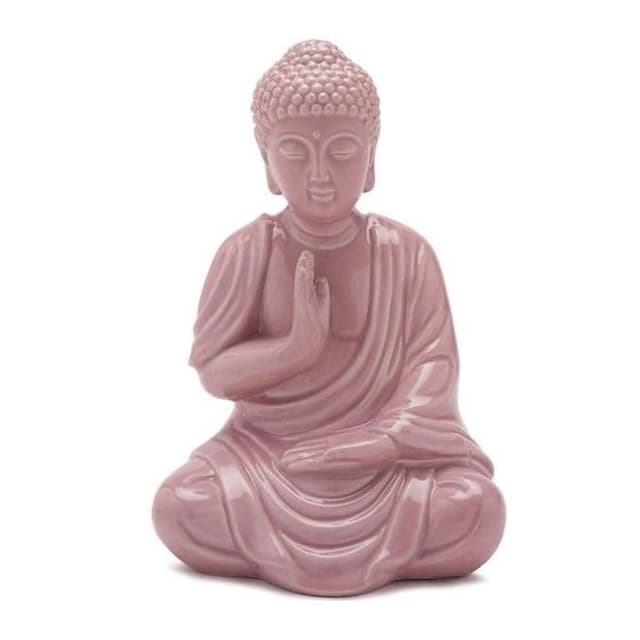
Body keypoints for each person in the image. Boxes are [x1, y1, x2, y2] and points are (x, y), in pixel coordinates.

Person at [152, 40, 505, 596]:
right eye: (295, 152)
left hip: (384, 466)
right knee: (180, 504)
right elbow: (214, 374)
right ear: (266, 160)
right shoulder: (248, 251)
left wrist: (376, 445)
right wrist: (294, 349)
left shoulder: (407, 254)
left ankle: (335, 540)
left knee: (476, 507)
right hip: (269, 456)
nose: (319, 173)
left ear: (372, 157)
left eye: (342, 150)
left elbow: (432, 376)